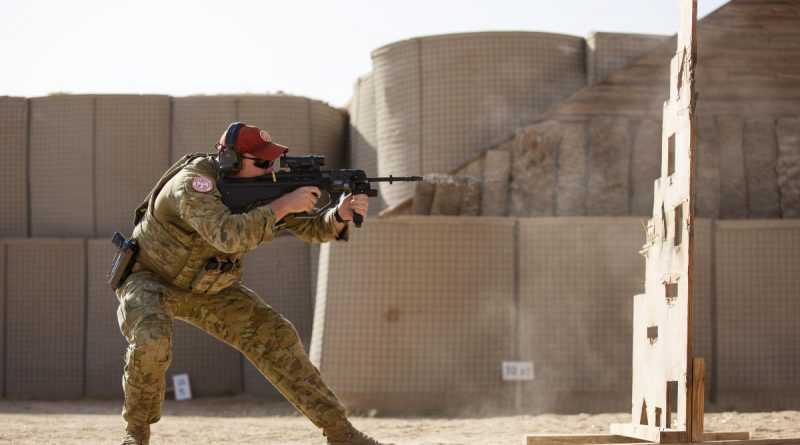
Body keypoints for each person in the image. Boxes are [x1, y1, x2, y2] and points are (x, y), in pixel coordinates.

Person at [115, 122, 390, 445]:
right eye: (260, 162)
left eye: (271, 161)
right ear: (229, 159)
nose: (268, 168)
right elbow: (226, 235)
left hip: (211, 288)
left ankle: (342, 433)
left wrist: (339, 215)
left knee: (276, 336)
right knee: (151, 339)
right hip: (152, 279)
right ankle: (137, 433)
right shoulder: (193, 183)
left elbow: (313, 229)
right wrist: (283, 205)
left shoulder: (261, 187)